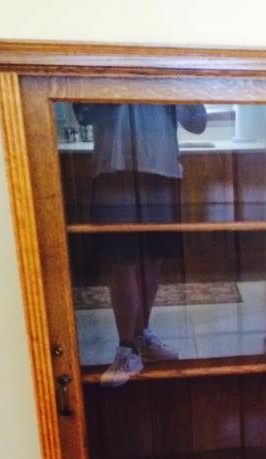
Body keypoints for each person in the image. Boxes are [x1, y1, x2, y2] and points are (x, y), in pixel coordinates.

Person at [73, 103, 208, 387]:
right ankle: (126, 349)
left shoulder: (170, 61)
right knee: (121, 260)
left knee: (153, 260)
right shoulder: (101, 57)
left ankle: (141, 336)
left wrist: (173, 87)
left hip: (161, 168)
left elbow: (197, 123)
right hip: (114, 167)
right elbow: (83, 111)